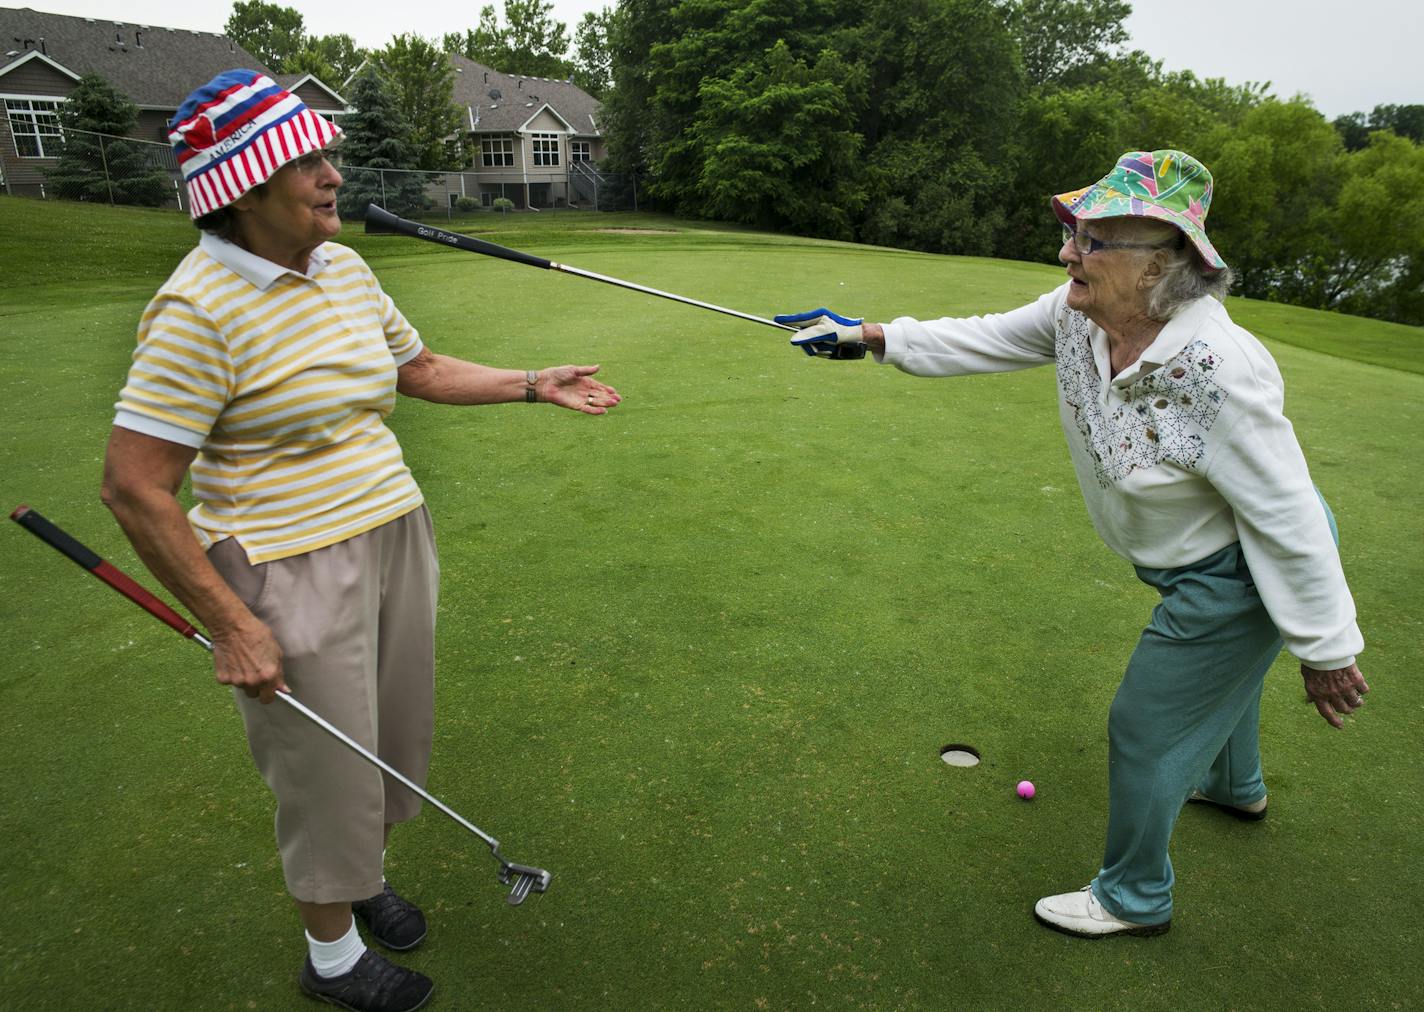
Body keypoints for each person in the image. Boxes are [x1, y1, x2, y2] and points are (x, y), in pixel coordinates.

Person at [100, 70, 621, 1010]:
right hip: (286, 567)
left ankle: (364, 879)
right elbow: (135, 489)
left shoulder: (341, 265)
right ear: (246, 186)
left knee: (390, 741)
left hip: (391, 532)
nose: (333, 175)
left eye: (329, 156)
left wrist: (533, 381)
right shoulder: (195, 312)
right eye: (309, 162)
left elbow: (414, 368)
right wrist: (229, 624)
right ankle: (330, 957)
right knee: (325, 769)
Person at [776, 150, 1368, 938]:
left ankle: (1135, 895)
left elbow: (1288, 514)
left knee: (1147, 725)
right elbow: (986, 337)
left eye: (1091, 241)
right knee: (1220, 681)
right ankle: (1236, 787)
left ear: (1164, 263)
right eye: (1072, 235)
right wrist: (869, 335)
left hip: (1238, 570)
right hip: (1196, 555)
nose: (1066, 254)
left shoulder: (1217, 370)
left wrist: (1327, 648)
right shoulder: (1078, 314)